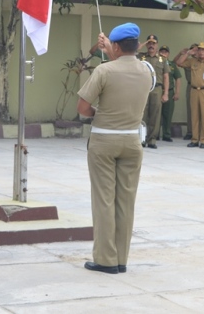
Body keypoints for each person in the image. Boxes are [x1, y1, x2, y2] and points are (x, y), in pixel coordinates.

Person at [77, 23, 153, 274]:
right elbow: (123, 65)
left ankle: (105, 259)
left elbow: (83, 108)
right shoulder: (147, 71)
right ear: (138, 45)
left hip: (104, 141)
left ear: (117, 46)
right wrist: (112, 51)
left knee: (104, 201)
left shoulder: (103, 70)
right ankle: (121, 259)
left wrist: (100, 112)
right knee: (125, 202)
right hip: (132, 141)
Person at [177, 42, 204, 149]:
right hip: (194, 91)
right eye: (199, 49)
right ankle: (195, 139)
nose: (201, 52)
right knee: (194, 116)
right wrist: (188, 53)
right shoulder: (193, 61)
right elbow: (179, 62)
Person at [138, 35, 169, 149]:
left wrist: (165, 93)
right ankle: (142, 138)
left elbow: (166, 77)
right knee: (142, 114)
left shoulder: (162, 59)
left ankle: (152, 140)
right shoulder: (140, 57)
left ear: (157, 45)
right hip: (143, 89)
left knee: (155, 115)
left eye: (153, 43)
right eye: (149, 43)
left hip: (157, 89)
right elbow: (132, 52)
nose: (151, 45)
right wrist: (141, 45)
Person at [159, 45, 182, 142]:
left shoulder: (172, 65)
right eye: (162, 51)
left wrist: (177, 92)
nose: (164, 53)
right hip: (158, 90)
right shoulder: (156, 63)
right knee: (156, 114)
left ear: (168, 54)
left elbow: (178, 78)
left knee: (168, 115)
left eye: (166, 52)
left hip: (170, 91)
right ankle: (154, 134)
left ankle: (166, 134)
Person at [176, 43, 198, 140]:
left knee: (201, 111)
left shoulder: (202, 61)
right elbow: (178, 63)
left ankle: (200, 132)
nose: (194, 51)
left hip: (202, 88)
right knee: (190, 110)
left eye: (196, 49)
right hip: (191, 86)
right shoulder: (188, 61)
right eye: (192, 49)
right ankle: (190, 131)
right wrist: (187, 54)